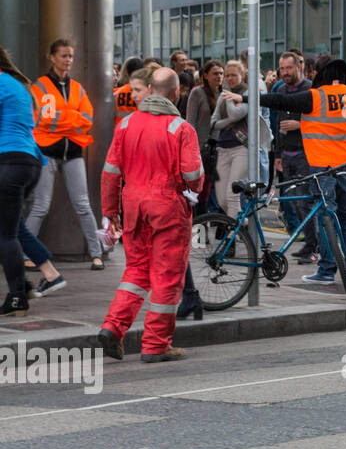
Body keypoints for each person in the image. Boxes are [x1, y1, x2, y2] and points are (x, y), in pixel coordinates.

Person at [97, 68, 204, 362]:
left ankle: (113, 328)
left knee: (136, 272)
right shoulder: (180, 128)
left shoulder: (127, 124)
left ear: (151, 90)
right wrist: (190, 190)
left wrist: (110, 212)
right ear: (175, 93)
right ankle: (156, 345)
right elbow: (193, 174)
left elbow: (110, 173)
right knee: (167, 276)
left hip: (133, 206)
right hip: (168, 207)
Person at [252, 58, 346, 286]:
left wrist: (247, 98)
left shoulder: (317, 96)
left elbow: (281, 100)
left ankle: (326, 271)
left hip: (323, 166)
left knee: (326, 217)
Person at [25, 39, 105, 270]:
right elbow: (38, 119)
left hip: (73, 152)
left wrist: (59, 120)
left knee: (83, 205)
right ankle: (24, 255)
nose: (68, 60)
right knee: (41, 206)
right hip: (46, 152)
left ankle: (96, 254)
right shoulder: (39, 87)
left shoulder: (78, 88)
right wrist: (71, 119)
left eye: (70, 56)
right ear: (52, 57)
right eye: (63, 55)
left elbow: (88, 119)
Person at [0, 48, 43, 316]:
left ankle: (17, 298)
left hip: (9, 164)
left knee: (6, 234)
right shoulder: (15, 84)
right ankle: (23, 285)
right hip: (29, 163)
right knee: (7, 228)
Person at [270, 52, 318, 265]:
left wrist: (301, 126)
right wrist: (277, 155)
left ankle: (314, 246)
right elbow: (278, 124)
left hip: (305, 153)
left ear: (299, 66)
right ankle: (310, 242)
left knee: (304, 201)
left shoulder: (311, 89)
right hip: (286, 153)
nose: (285, 73)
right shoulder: (280, 89)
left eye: (289, 68)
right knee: (296, 203)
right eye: (282, 69)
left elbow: (321, 121)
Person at [210, 60, 260, 219]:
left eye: (234, 75)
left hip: (242, 147)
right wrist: (228, 122)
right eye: (227, 75)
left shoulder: (247, 93)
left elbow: (234, 114)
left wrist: (229, 97)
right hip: (223, 148)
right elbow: (213, 122)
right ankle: (241, 223)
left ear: (242, 75)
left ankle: (233, 234)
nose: (229, 78)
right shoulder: (223, 94)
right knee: (222, 199)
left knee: (232, 195)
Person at [187, 60, 222, 213]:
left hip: (221, 147)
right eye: (215, 73)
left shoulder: (224, 93)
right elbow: (190, 123)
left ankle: (214, 221)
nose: (219, 77)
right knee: (203, 192)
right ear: (205, 75)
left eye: (221, 73)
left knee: (219, 189)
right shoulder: (197, 93)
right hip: (202, 149)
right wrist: (192, 150)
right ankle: (201, 225)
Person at [113, 57, 144, 123]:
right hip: (138, 131)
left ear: (127, 73)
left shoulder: (116, 93)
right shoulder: (146, 94)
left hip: (119, 131)